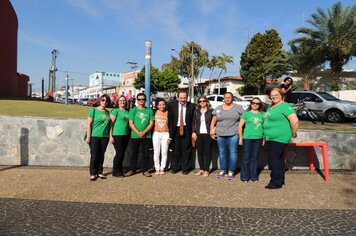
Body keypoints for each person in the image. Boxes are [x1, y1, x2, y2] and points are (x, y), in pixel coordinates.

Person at [263, 88, 299, 189]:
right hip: (271, 137)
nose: (273, 96)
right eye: (272, 95)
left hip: (280, 137)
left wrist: (293, 132)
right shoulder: (272, 106)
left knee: (274, 159)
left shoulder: (285, 106)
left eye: (276, 94)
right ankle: (280, 180)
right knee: (278, 159)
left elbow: (294, 120)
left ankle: (275, 182)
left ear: (282, 95)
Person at [210, 92, 244, 180]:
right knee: (222, 153)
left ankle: (231, 171)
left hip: (233, 134)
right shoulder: (218, 108)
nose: (227, 99)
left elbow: (242, 121)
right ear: (223, 98)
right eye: (226, 97)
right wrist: (211, 131)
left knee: (233, 153)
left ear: (232, 98)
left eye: (229, 97)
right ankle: (223, 170)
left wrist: (241, 134)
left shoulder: (238, 108)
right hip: (220, 134)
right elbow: (213, 121)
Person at [125, 93, 154, 177]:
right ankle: (132, 169)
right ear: (137, 100)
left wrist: (144, 132)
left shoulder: (149, 110)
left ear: (145, 100)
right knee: (134, 153)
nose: (141, 101)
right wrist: (138, 132)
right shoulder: (133, 110)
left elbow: (151, 123)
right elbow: (131, 123)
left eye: (143, 99)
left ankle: (145, 170)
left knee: (145, 154)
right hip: (135, 135)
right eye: (139, 99)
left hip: (147, 135)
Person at [167, 91, 195, 175]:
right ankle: (175, 167)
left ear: (187, 98)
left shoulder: (192, 106)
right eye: (181, 98)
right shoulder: (172, 105)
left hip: (187, 130)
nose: (183, 99)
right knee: (176, 150)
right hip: (176, 130)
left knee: (186, 150)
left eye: (184, 98)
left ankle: (185, 168)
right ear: (178, 98)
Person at [85, 94, 111, 181]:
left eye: (106, 100)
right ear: (100, 101)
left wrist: (110, 136)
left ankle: (100, 172)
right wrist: (88, 137)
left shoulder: (107, 112)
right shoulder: (93, 110)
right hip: (95, 136)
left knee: (101, 155)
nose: (104, 102)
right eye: (103, 100)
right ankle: (93, 173)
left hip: (105, 137)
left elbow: (110, 126)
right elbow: (89, 124)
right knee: (94, 155)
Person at [238, 97, 264, 183]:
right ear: (251, 103)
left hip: (258, 138)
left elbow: (264, 128)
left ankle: (254, 177)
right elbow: (240, 126)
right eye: (253, 103)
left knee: (255, 158)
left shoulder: (262, 115)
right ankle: (244, 177)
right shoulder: (246, 114)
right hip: (247, 138)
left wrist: (264, 138)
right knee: (246, 158)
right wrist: (241, 138)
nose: (255, 105)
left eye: (257, 103)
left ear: (260, 105)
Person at [192, 95, 213, 177]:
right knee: (200, 152)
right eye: (200, 101)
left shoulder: (211, 111)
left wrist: (213, 130)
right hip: (198, 134)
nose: (202, 102)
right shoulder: (196, 112)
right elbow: (193, 122)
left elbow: (214, 122)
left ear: (206, 101)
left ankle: (207, 170)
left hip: (208, 134)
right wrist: (193, 132)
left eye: (203, 101)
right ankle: (201, 169)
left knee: (207, 152)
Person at [110, 95, 130, 178]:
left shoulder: (127, 112)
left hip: (125, 134)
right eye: (121, 100)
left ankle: (120, 169)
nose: (122, 102)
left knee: (122, 153)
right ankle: (115, 171)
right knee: (119, 153)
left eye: (124, 100)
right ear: (118, 102)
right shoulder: (115, 111)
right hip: (117, 135)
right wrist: (110, 136)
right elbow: (111, 124)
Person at [152, 98, 170, 175]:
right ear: (157, 106)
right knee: (156, 152)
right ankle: (157, 168)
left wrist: (170, 137)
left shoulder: (168, 113)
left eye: (163, 104)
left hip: (166, 134)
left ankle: (162, 168)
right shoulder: (154, 112)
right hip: (156, 133)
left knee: (164, 152)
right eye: (160, 105)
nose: (162, 106)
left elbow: (171, 124)